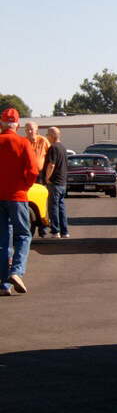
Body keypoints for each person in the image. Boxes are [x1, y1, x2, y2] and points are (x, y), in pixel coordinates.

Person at [0, 108, 39, 296]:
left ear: (1, 122)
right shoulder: (23, 143)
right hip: (17, 196)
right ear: (17, 124)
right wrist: (24, 186)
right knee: (23, 235)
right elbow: (33, 170)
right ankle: (16, 271)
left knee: (2, 240)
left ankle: (3, 284)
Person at [44, 127, 70, 239]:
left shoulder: (53, 148)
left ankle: (55, 231)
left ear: (52, 136)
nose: (47, 137)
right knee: (61, 207)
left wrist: (47, 178)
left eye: (47, 134)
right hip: (63, 182)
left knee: (53, 207)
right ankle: (65, 231)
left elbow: (51, 165)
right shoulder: (63, 148)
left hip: (54, 182)